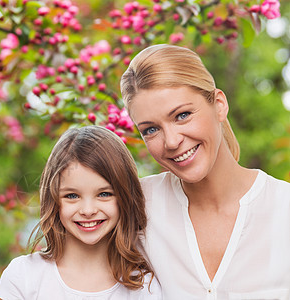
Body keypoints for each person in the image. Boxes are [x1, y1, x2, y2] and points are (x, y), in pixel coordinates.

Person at [120, 44, 290, 300]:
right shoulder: (135, 206)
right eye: (151, 130)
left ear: (219, 104)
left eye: (182, 115)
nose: (172, 141)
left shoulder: (283, 207)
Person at [0, 125, 161, 299]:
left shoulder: (145, 288)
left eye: (104, 194)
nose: (88, 210)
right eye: (72, 195)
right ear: (53, 200)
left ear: (125, 197)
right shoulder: (24, 277)